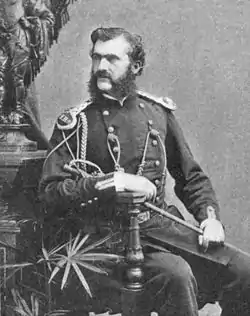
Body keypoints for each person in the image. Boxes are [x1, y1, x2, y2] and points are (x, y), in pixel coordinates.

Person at [39, 27, 250, 316]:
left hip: (160, 227)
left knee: (243, 270)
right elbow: (51, 191)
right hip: (107, 237)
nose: (101, 67)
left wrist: (209, 218)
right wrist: (114, 181)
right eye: (96, 58)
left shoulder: (157, 113)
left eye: (112, 59)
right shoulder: (77, 123)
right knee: (176, 275)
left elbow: (191, 177)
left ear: (135, 66)